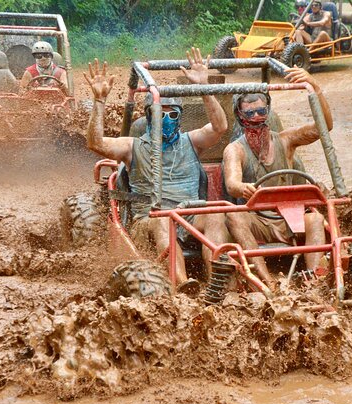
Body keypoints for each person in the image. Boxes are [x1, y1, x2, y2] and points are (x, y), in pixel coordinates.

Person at [83, 48, 230, 294]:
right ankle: (182, 283)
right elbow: (95, 143)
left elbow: (220, 127)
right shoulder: (133, 146)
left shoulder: (190, 141)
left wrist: (204, 88)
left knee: (216, 215)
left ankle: (219, 282)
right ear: (150, 116)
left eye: (174, 114)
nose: (168, 118)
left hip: (190, 214)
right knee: (164, 220)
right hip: (150, 220)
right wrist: (99, 101)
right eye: (162, 113)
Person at [222, 67, 332, 289]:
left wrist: (315, 87)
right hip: (258, 220)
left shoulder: (285, 140)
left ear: (268, 111)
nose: (256, 118)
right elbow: (232, 183)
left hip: (289, 216)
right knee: (234, 216)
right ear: (240, 116)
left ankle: (316, 280)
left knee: (316, 218)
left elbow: (325, 127)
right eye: (250, 114)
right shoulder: (235, 149)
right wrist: (242, 187)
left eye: (261, 112)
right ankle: (266, 281)